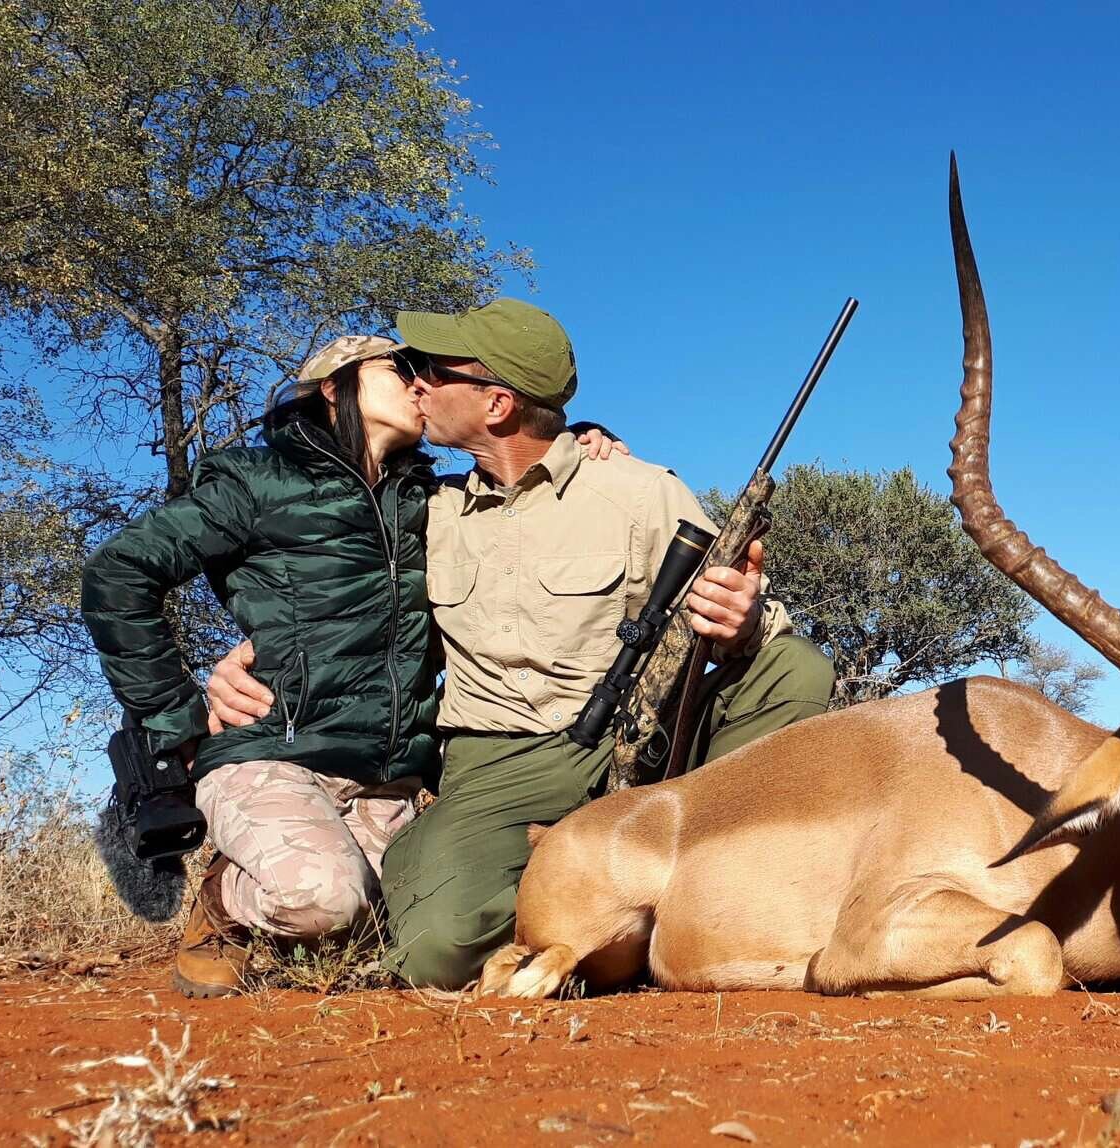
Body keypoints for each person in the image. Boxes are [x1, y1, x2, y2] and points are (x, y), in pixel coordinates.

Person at [205, 299, 836, 989]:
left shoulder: (642, 491)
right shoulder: (422, 509)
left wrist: (742, 618)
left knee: (793, 669)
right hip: (499, 760)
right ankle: (602, 905)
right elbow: (330, 602)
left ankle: (715, 889)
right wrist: (249, 653)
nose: (414, 383)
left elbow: (757, 623)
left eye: (431, 371)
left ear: (498, 404)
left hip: (640, 736)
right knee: (432, 953)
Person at [82, 336, 442, 998]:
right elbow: (120, 572)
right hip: (274, 755)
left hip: (391, 778)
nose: (422, 384)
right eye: (402, 368)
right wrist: (175, 716)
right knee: (323, 901)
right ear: (333, 388)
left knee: (427, 935)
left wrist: (591, 442)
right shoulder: (256, 482)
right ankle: (222, 902)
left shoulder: (429, 498)